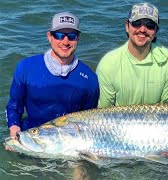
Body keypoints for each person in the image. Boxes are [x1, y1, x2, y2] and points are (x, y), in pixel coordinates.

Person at [5, 12, 99, 140]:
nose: (65, 42)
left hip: (68, 146)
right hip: (33, 138)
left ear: (78, 38)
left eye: (71, 36)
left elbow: (89, 123)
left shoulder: (90, 80)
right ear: (49, 36)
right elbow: (13, 107)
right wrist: (14, 128)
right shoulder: (25, 68)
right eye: (59, 35)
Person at [96, 3, 168, 108]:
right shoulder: (108, 64)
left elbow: (166, 109)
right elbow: (104, 111)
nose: (143, 30)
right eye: (137, 23)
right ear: (127, 26)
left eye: (150, 25)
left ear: (156, 31)